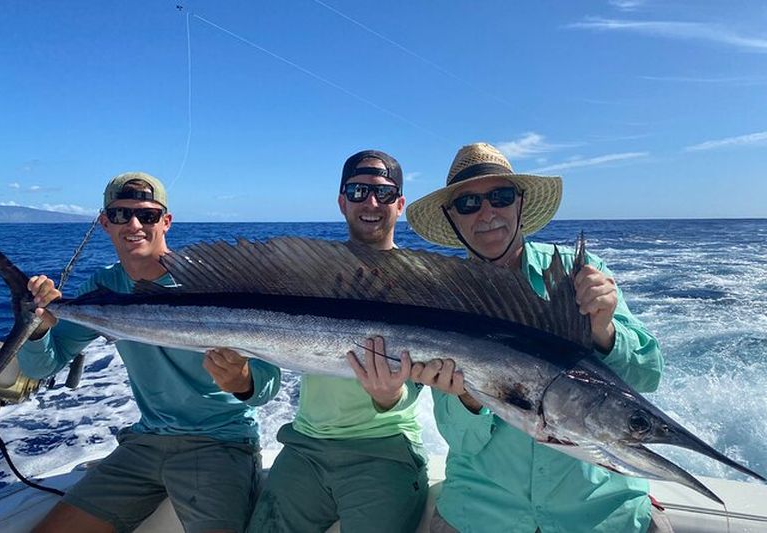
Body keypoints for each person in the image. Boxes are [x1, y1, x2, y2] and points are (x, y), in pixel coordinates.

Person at [404, 143, 672, 533]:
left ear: (520, 203)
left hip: (601, 513)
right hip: (482, 512)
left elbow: (649, 378)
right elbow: (461, 438)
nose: (487, 213)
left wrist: (604, 329)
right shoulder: (443, 300)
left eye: (500, 196)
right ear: (452, 218)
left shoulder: (580, 275)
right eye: (468, 204)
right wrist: (466, 398)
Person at [19, 172, 281, 533]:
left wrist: (243, 381)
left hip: (220, 443)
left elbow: (269, 387)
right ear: (105, 223)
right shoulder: (104, 287)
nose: (135, 225)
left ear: (167, 222)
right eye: (121, 215)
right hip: (143, 443)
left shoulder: (210, 282)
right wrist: (39, 327)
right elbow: (43, 366)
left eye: (148, 215)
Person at [247, 150, 429, 533]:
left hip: (386, 447)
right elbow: (263, 353)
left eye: (383, 193)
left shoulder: (420, 280)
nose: (371, 203)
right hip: (305, 448)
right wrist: (239, 378)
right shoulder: (310, 275)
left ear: (401, 203)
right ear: (342, 201)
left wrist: (388, 396)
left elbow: (431, 372)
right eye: (359, 191)